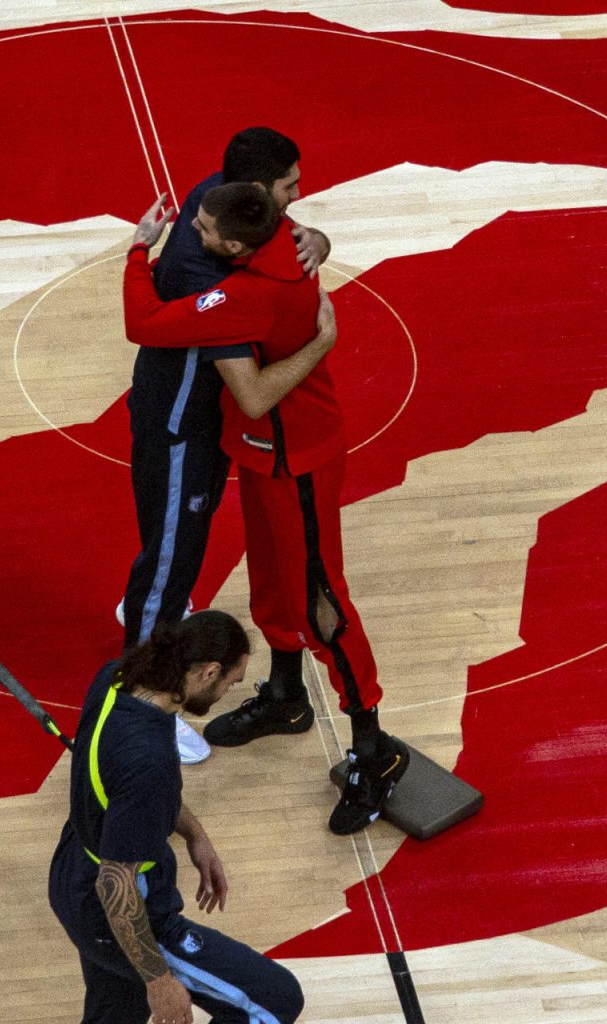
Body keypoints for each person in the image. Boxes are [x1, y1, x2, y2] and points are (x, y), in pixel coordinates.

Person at [124, 184, 409, 836]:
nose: (190, 235)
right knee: (271, 587)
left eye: (201, 228)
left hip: (297, 460)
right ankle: (285, 694)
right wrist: (325, 244)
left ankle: (373, 749)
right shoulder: (281, 242)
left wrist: (138, 253)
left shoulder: (248, 295)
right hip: (262, 456)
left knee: (323, 605)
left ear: (232, 244)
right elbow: (302, 230)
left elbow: (161, 335)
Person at [119, 127, 331, 767]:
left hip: (174, 416)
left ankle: (149, 607)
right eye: (289, 188)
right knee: (172, 562)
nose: (299, 196)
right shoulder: (211, 272)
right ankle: (144, 696)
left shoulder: (212, 197)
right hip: (184, 427)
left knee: (169, 546)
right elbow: (252, 392)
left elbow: (292, 240)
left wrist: (321, 240)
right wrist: (320, 344)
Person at [48, 611, 305, 1024]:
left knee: (115, 1013)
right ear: (209, 672)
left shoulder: (117, 680)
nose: (227, 694)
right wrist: (159, 981)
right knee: (275, 999)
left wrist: (194, 834)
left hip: (71, 870)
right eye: (231, 684)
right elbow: (116, 883)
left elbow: (127, 794)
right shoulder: (147, 759)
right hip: (118, 907)